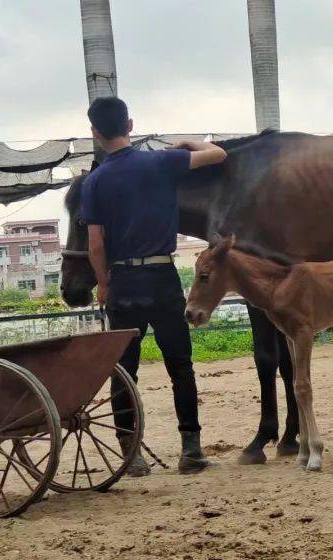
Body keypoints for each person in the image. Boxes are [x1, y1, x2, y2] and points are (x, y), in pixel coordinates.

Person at [80, 96, 227, 475]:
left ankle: (132, 456)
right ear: (130, 125)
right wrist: (185, 145)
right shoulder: (161, 162)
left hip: (124, 281)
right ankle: (191, 450)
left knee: (124, 371)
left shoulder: (94, 182)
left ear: (95, 133)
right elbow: (218, 154)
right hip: (162, 278)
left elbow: (95, 244)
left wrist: (103, 283)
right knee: (180, 366)